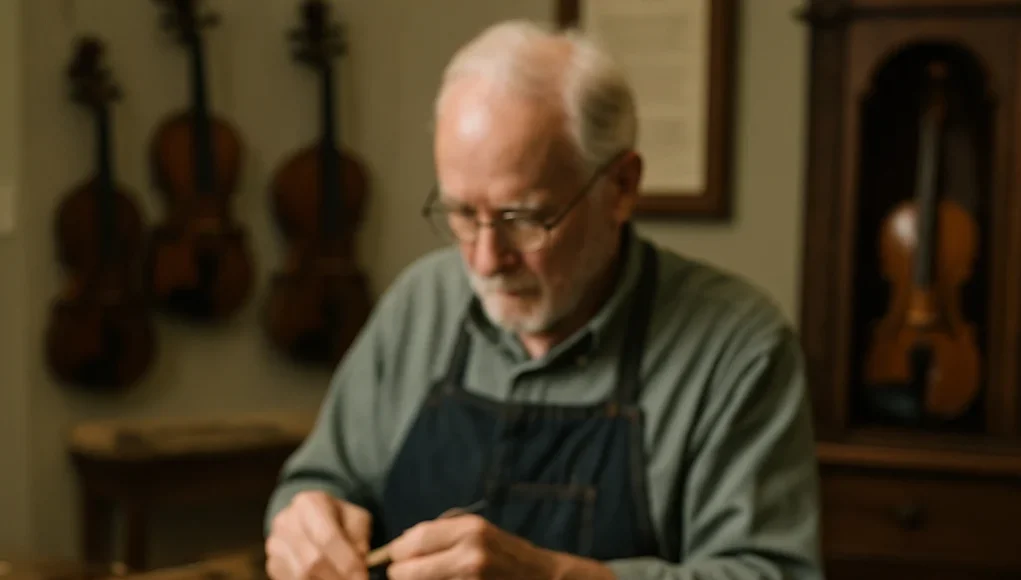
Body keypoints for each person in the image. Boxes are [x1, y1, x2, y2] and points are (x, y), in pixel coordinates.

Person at [263, 18, 823, 580]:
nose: (486, 260)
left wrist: (553, 577)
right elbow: (319, 483)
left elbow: (773, 573)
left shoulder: (737, 346)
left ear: (621, 187)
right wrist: (305, 526)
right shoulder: (420, 304)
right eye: (462, 214)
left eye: (524, 218)